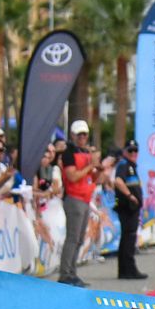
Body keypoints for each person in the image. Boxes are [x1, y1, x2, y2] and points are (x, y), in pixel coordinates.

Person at [58, 119, 100, 286]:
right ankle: (65, 274)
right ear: (73, 135)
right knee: (73, 238)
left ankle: (71, 272)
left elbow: (91, 176)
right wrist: (90, 167)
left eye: (85, 134)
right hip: (74, 198)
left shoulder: (85, 153)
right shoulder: (68, 154)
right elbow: (72, 176)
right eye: (80, 134)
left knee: (79, 239)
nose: (82, 137)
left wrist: (96, 170)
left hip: (85, 197)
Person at [112, 143, 149, 280]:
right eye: (131, 150)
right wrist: (130, 196)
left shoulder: (132, 166)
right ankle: (129, 269)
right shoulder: (124, 165)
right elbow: (118, 181)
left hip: (131, 207)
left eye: (136, 151)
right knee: (129, 237)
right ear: (125, 151)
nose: (134, 153)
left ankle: (125, 270)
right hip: (127, 206)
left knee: (128, 237)